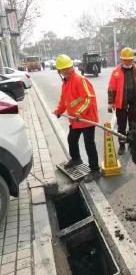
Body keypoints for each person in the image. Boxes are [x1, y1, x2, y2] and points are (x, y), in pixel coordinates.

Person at [53, 54, 101, 183]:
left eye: (68, 68)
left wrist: (79, 113)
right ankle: (76, 159)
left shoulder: (80, 80)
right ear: (59, 71)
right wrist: (59, 111)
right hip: (75, 120)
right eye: (63, 69)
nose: (66, 71)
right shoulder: (65, 83)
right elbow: (64, 101)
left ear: (72, 67)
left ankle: (95, 170)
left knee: (89, 144)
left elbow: (89, 98)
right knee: (72, 139)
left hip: (87, 119)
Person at [108, 47, 136, 155]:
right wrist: (110, 102)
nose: (127, 62)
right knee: (121, 126)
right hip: (121, 104)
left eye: (129, 60)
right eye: (125, 60)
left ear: (132, 59)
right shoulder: (116, 72)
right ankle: (122, 145)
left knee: (133, 125)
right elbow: (111, 88)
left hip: (134, 103)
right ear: (121, 59)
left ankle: (132, 145)